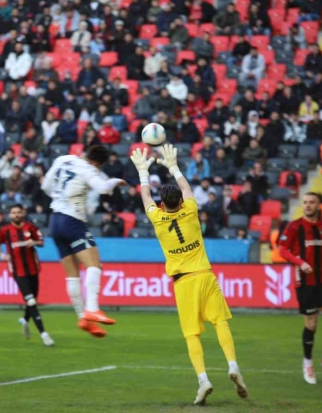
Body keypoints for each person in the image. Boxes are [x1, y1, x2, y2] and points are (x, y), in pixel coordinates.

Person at [129, 145, 247, 405]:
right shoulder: (192, 209)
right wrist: (173, 166)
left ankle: (203, 379)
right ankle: (232, 364)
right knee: (220, 321)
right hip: (205, 275)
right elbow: (186, 188)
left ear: (163, 204)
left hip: (183, 282)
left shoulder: (157, 219)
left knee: (192, 334)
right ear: (181, 202)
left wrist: (142, 173)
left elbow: (146, 198)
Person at [42, 145, 124, 338]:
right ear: (96, 163)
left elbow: (45, 186)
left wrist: (59, 198)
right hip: (72, 221)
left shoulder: (62, 159)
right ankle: (92, 309)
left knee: (72, 275)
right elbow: (103, 188)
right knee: (94, 265)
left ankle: (82, 317)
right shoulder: (88, 169)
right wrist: (116, 181)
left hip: (54, 221)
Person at [279, 192, 322, 385]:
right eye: (305, 202)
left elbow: (320, 253)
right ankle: (307, 364)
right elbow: (282, 250)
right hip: (305, 283)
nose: (308, 205)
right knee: (311, 325)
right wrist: (300, 263)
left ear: (318, 206)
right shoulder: (294, 226)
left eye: (312, 202)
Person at [0, 204, 54, 346]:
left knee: (32, 301)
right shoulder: (5, 230)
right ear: (10, 215)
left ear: (23, 213)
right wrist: (1, 254)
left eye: (18, 212)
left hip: (33, 269)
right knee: (31, 301)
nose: (16, 215)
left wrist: (33, 242)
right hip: (17, 272)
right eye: (13, 213)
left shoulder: (30, 228)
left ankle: (25, 321)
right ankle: (44, 334)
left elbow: (41, 242)